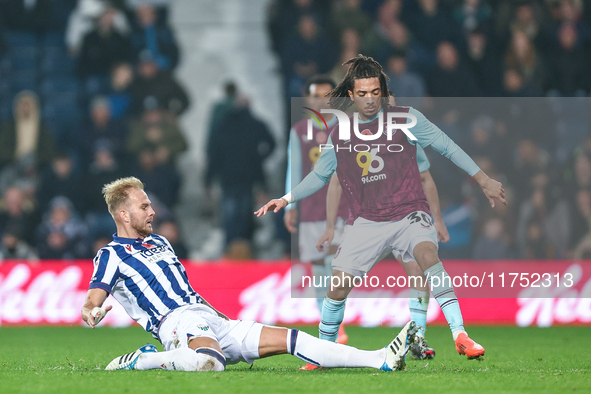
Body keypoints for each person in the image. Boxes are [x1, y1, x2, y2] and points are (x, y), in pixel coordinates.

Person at [256, 54, 506, 359]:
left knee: (426, 257)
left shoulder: (406, 119)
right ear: (351, 95)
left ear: (383, 92)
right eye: (362, 94)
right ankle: (323, 353)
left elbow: (446, 146)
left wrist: (483, 179)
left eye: (375, 93)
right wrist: (286, 199)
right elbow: (322, 175)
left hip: (409, 213)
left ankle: (460, 333)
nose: (370, 100)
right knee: (337, 288)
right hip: (368, 220)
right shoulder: (341, 132)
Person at [81, 177, 418, 372]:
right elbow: (91, 302)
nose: (152, 211)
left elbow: (183, 289)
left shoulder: (160, 241)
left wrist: (216, 318)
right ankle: (144, 360)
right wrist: (93, 312)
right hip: (174, 322)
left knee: (291, 338)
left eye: (150, 204)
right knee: (209, 364)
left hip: (209, 317)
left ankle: (380, 360)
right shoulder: (110, 255)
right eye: (144, 207)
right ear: (123, 214)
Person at [316, 140, 449, 363]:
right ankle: (323, 350)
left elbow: (425, 177)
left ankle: (418, 338)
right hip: (368, 222)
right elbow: (337, 182)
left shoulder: (408, 138)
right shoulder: (353, 139)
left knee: (417, 270)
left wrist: (437, 219)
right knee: (340, 283)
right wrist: (330, 226)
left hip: (405, 219)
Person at [285, 75, 351, 355]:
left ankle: (335, 323)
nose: (322, 101)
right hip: (311, 208)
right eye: (316, 96)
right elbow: (294, 167)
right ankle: (330, 324)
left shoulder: (348, 127)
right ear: (308, 100)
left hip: (343, 207)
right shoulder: (300, 131)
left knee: (334, 262)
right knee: (318, 267)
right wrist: (290, 206)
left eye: (328, 95)